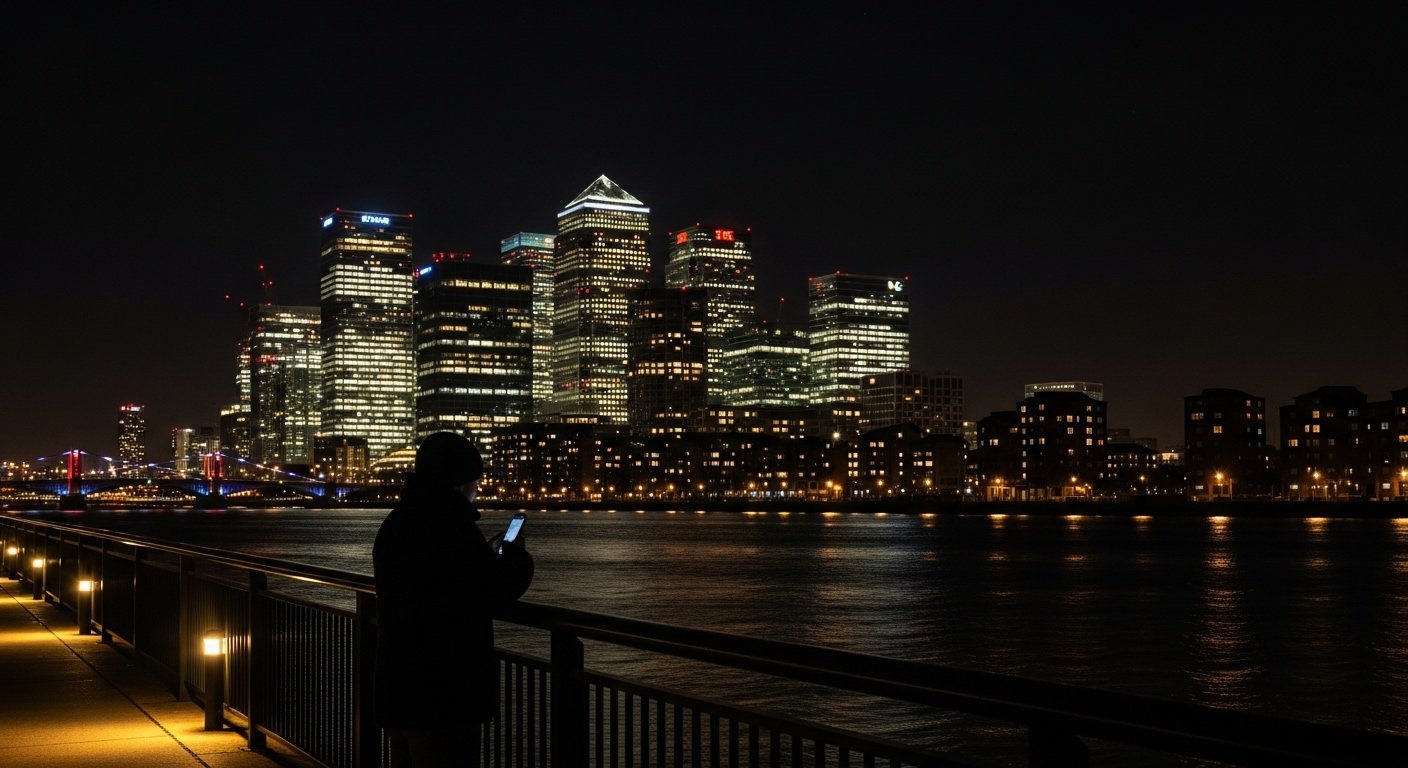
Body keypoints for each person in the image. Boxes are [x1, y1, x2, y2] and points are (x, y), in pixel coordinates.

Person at [372, 432, 534, 767]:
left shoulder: (397, 522)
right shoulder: (449, 526)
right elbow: (489, 590)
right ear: (458, 482)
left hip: (399, 687)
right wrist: (514, 558)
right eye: (474, 483)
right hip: (444, 694)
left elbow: (442, 582)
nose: (476, 491)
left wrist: (482, 555)